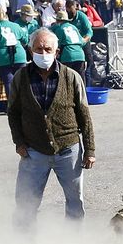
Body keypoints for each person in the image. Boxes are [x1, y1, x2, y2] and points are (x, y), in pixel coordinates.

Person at [8, 28, 95, 228]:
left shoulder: (72, 77)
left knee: (75, 201)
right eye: (38, 49)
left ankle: (74, 239)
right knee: (25, 202)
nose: (43, 53)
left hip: (68, 150)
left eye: (48, 49)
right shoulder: (21, 78)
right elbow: (13, 112)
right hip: (33, 151)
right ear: (30, 51)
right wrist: (19, 142)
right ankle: (23, 240)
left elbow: (84, 115)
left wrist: (90, 150)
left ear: (57, 52)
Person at [0, 3, 28, 98]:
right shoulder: (16, 26)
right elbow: (25, 40)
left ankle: (13, 104)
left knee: (8, 82)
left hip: (2, 57)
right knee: (22, 81)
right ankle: (25, 102)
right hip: (19, 55)